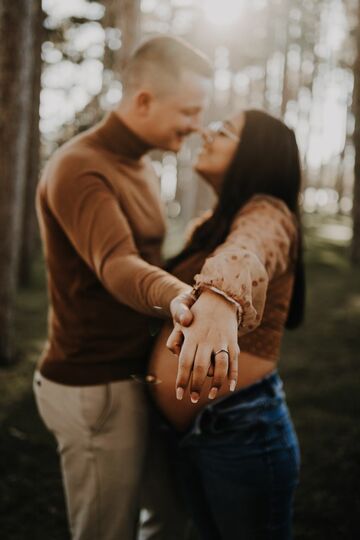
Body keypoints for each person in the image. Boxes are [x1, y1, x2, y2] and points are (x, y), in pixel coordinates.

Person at [33, 36, 241, 540]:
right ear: (143, 100)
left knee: (171, 516)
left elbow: (146, 254)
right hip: (94, 385)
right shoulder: (79, 167)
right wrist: (180, 297)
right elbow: (117, 262)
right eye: (188, 111)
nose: (196, 125)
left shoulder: (143, 166)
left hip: (137, 377)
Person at [149, 109, 305, 539]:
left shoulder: (271, 214)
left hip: (243, 432)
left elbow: (251, 247)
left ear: (257, 154)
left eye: (226, 130)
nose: (207, 131)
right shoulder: (209, 223)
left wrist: (222, 297)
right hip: (198, 435)